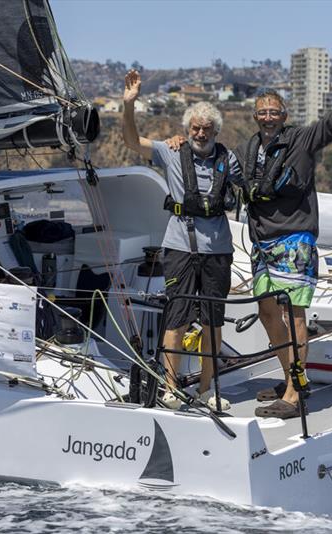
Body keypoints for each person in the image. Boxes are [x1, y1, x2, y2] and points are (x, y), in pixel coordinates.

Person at [242, 42, 332, 419]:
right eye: (261, 112)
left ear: (284, 115)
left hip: (295, 241)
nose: (267, 117)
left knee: (294, 316)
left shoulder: (302, 140)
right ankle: (291, 380)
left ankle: (295, 395)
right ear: (255, 116)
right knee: (267, 314)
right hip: (262, 244)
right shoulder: (249, 149)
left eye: (273, 112)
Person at [122, 69, 243, 411]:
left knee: (212, 321)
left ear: (216, 131)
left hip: (217, 250)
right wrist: (128, 106)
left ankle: (208, 389)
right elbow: (132, 142)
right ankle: (171, 388)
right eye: (195, 128)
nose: (200, 133)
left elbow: (252, 181)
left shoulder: (228, 159)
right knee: (176, 315)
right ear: (186, 130)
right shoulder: (171, 152)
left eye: (206, 129)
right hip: (179, 246)